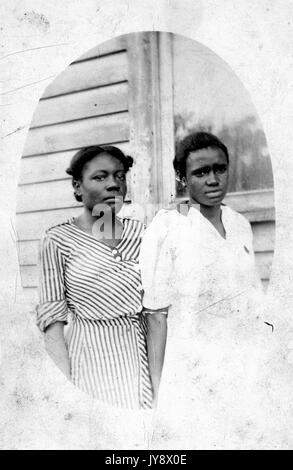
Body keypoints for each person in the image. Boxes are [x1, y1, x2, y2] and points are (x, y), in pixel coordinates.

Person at [139, 131, 273, 449]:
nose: (213, 179)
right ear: (182, 179)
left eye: (220, 168)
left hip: (241, 364)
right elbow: (155, 315)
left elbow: (253, 301)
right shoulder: (167, 226)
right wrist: (159, 390)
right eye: (200, 172)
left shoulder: (239, 223)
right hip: (191, 367)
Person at [36, 145, 153, 411]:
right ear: (77, 187)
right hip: (91, 363)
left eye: (120, 176)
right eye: (100, 177)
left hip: (142, 358)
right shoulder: (57, 240)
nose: (114, 184)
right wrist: (64, 391)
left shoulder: (145, 234)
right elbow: (53, 327)